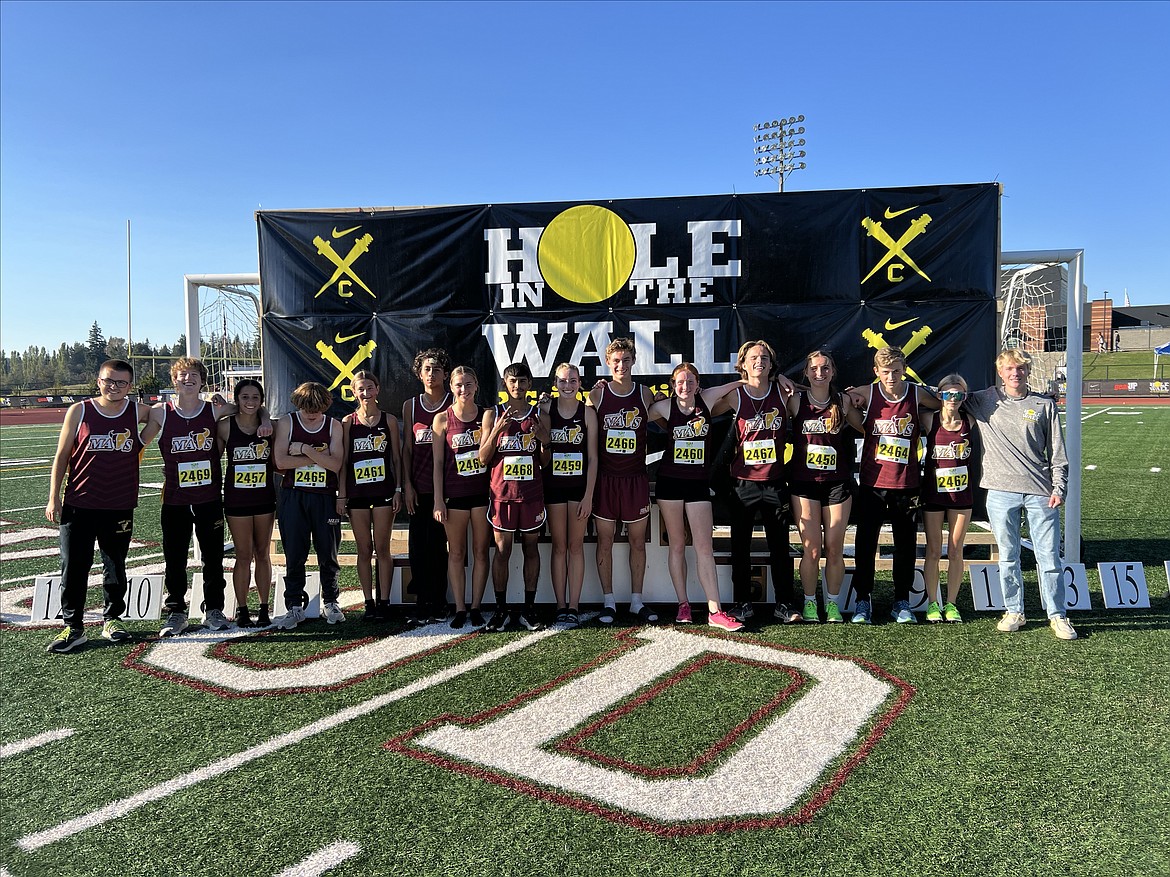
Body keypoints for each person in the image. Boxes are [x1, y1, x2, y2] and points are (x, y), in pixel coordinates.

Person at [965, 349, 1076, 640]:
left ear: (1027, 371)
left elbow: (1058, 453)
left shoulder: (1043, 405)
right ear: (1000, 372)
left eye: (1021, 369)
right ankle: (1015, 611)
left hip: (1040, 493)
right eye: (1010, 369)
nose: (1015, 373)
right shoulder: (984, 399)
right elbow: (946, 394)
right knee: (1008, 556)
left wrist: (1059, 488)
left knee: (1049, 557)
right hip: (1000, 493)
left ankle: (1058, 615)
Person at [44, 359, 153, 653]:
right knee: (74, 566)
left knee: (115, 565)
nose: (113, 386)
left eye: (121, 382)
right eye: (108, 380)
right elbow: (62, 456)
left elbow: (172, 414)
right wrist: (54, 496)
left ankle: (112, 618)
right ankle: (73, 626)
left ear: (130, 386)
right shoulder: (79, 411)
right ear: (98, 381)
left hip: (119, 504)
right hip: (79, 502)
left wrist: (142, 441)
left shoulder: (138, 411)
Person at [150, 357, 252, 637]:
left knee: (213, 556)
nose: (188, 379)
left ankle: (214, 610)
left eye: (193, 374)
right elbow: (135, 434)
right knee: (175, 557)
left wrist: (265, 418)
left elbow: (253, 408)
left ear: (202, 381)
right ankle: (176, 611)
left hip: (208, 498)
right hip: (174, 500)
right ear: (174, 380)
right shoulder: (161, 412)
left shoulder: (215, 410)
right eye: (182, 375)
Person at [846, 346, 940, 625]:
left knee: (905, 545)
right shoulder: (867, 392)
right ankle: (863, 598)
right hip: (873, 482)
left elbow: (941, 404)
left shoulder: (915, 392)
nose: (891, 377)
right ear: (876, 372)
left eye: (896, 371)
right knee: (865, 543)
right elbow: (843, 404)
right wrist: (860, 421)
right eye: (885, 372)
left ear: (904, 370)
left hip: (908, 483)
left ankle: (901, 599)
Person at [648, 363, 744, 632]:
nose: (685, 386)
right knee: (677, 544)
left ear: (698, 384)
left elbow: (740, 384)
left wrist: (778, 378)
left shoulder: (708, 399)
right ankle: (683, 605)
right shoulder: (664, 407)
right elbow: (636, 414)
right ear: (672, 384)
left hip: (698, 485)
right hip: (669, 483)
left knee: (704, 547)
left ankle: (715, 610)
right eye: (680, 381)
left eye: (690, 381)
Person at [719, 340, 799, 624]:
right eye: (753, 358)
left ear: (771, 364)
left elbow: (813, 397)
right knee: (740, 546)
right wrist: (734, 383)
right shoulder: (736, 395)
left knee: (780, 546)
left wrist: (784, 379)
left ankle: (785, 603)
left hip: (775, 482)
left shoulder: (783, 392)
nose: (759, 362)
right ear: (743, 363)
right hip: (743, 483)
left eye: (764, 357)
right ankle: (742, 602)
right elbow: (702, 403)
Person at [588, 338, 659, 625]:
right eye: (616, 361)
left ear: (633, 361)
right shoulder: (596, 395)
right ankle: (608, 602)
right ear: (608, 363)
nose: (621, 365)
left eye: (626, 360)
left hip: (635, 480)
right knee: (604, 541)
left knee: (637, 543)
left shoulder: (644, 394)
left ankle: (636, 601)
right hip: (606, 480)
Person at [479, 362, 550, 631]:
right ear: (505, 384)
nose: (517, 386)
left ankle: (529, 610)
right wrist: (498, 429)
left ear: (529, 384)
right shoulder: (492, 414)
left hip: (531, 495)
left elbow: (544, 462)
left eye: (522, 381)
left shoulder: (539, 415)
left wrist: (544, 440)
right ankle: (500, 610)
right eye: (512, 381)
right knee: (502, 551)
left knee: (531, 549)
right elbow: (483, 458)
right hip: (502, 495)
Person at [786, 350, 855, 623]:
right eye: (814, 368)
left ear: (833, 371)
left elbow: (866, 412)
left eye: (825, 368)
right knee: (812, 548)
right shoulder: (795, 401)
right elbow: (772, 387)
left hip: (837, 483)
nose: (819, 373)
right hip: (804, 483)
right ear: (806, 372)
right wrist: (780, 376)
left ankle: (834, 603)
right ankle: (810, 601)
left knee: (835, 547)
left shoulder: (844, 401)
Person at [272, 381, 345, 629]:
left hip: (324, 496)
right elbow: (281, 461)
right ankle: (294, 605)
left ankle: (331, 601)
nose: (312, 415)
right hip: (294, 495)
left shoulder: (334, 425)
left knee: (328, 552)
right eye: (307, 409)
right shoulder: (287, 422)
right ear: (299, 405)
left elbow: (336, 465)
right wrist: (319, 457)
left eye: (317, 410)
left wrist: (303, 450)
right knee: (294, 553)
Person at [340, 370, 402, 622]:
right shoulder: (347, 422)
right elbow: (343, 461)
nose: (366, 393)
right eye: (360, 389)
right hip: (357, 495)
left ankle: (384, 601)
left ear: (377, 390)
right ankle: (368, 602)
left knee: (383, 548)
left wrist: (399, 490)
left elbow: (396, 458)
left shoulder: (388, 420)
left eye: (370, 388)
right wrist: (341, 495)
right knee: (364, 549)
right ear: (353, 392)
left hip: (384, 492)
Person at [432, 366, 491, 628]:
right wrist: (437, 499)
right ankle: (459, 607)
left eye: (468, 384)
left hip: (481, 494)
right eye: (458, 385)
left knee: (480, 551)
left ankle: (476, 606)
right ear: (451, 387)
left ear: (476, 386)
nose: (463, 389)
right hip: (454, 495)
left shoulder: (486, 415)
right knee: (456, 553)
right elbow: (437, 464)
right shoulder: (442, 419)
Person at [541, 363, 598, 627]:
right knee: (559, 546)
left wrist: (589, 496)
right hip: (553, 487)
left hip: (578, 489)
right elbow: (542, 450)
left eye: (572, 381)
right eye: (563, 381)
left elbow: (594, 458)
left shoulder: (587, 413)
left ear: (579, 383)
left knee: (575, 547)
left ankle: (574, 605)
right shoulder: (546, 409)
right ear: (555, 383)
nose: (567, 385)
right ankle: (560, 604)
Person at [217, 378, 276, 628]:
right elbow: (210, 459)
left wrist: (265, 420)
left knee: (262, 554)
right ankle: (242, 609)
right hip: (237, 500)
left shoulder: (271, 427)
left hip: (264, 499)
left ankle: (264, 608)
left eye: (255, 397)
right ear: (237, 399)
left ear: (261, 400)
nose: (250, 402)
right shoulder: (225, 427)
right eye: (245, 397)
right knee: (243, 555)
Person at [401, 348, 453, 626]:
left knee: (442, 546)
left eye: (436, 369)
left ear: (445, 373)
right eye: (426, 369)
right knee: (418, 547)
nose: (431, 374)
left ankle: (440, 600)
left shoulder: (454, 400)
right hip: (419, 487)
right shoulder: (410, 406)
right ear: (419, 374)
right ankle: (422, 601)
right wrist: (406, 485)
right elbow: (407, 449)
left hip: (449, 488)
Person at [920, 374, 975, 623]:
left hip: (962, 495)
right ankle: (933, 603)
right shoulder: (929, 419)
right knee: (933, 551)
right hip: (933, 494)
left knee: (955, 551)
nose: (952, 399)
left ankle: (951, 603)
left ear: (964, 397)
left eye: (958, 395)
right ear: (939, 395)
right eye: (947, 394)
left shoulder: (970, 421)